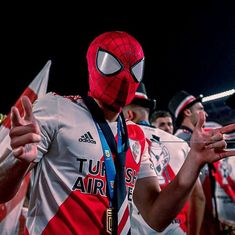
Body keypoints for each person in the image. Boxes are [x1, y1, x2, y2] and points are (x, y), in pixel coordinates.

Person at [0, 31, 234, 235]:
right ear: (93, 63)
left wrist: (193, 161)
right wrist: (19, 163)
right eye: (112, 64)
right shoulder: (57, 109)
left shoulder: (135, 137)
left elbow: (156, 216)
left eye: (134, 68)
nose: (124, 77)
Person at [123, 82, 205, 235]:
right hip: (175, 229)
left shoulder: (119, 140)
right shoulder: (180, 143)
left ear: (129, 115)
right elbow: (199, 198)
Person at [168, 90, 219, 235]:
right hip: (194, 217)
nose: (206, 114)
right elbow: (193, 193)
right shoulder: (180, 141)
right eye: (201, 109)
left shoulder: (191, 138)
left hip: (203, 213)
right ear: (188, 112)